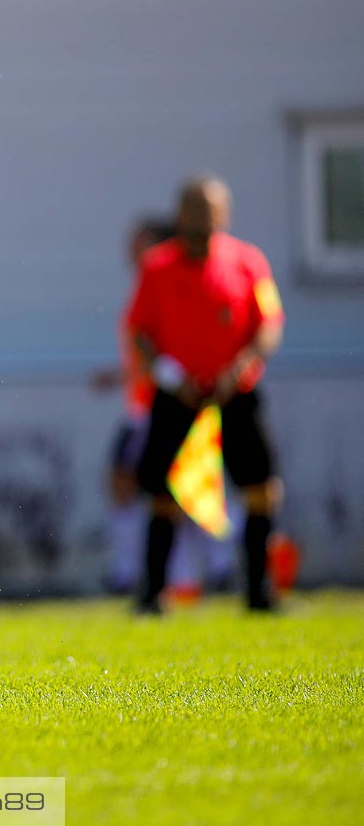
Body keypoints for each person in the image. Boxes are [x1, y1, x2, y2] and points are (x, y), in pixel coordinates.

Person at [126, 176, 285, 614]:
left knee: (261, 489)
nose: (203, 221)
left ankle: (259, 592)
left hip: (235, 392)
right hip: (179, 395)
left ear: (225, 215)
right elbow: (140, 331)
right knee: (161, 491)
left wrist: (244, 365)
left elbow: (269, 323)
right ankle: (152, 595)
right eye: (195, 211)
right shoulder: (158, 267)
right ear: (180, 215)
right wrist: (169, 375)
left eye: (211, 211)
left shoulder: (249, 262)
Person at [95, 216, 232, 598]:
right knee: (147, 486)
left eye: (142, 244)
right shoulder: (150, 286)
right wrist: (120, 376)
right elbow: (146, 351)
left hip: (164, 406)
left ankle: (213, 568)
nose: (133, 252)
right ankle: (169, 572)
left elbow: (168, 349)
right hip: (141, 405)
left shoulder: (171, 283)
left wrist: (174, 382)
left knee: (179, 486)